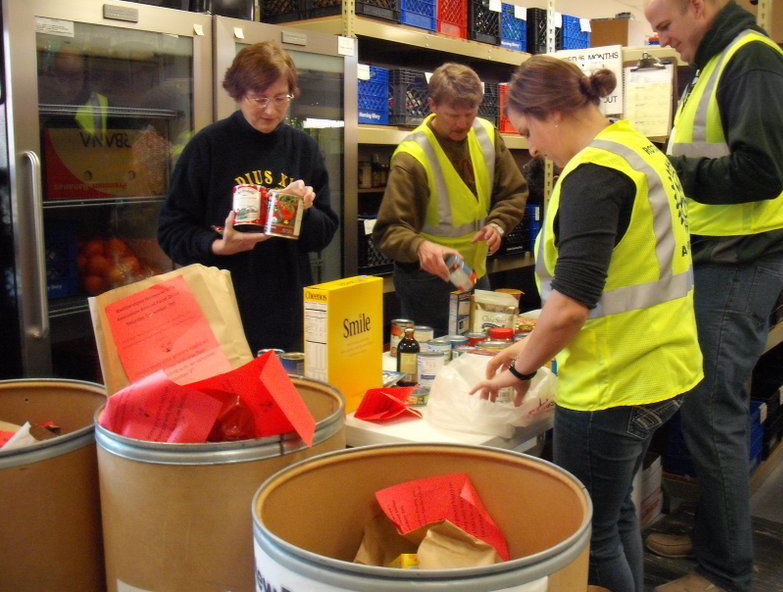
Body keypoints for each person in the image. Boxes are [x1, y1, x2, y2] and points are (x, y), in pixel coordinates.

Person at [469, 55, 703, 592]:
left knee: (590, 541)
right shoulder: (638, 149)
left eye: (527, 132)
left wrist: (523, 371)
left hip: (612, 384)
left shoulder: (593, 177)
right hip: (660, 366)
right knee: (617, 515)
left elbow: (573, 305)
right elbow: (617, 278)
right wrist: (531, 342)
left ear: (551, 114)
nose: (530, 149)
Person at [644, 0, 783, 591]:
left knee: (715, 416)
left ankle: (725, 572)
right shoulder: (713, 62)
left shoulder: (752, 60)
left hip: (738, 265)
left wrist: (671, 172)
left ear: (699, 6)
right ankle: (712, 535)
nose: (659, 39)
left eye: (664, 25)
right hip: (715, 262)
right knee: (707, 411)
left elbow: (763, 171)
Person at [158, 41, 339, 355]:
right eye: (260, 99)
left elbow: (322, 235)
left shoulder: (302, 148)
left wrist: (302, 210)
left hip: (287, 314)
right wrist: (217, 246)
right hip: (220, 317)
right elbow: (171, 231)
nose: (271, 110)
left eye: (281, 98)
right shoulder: (209, 146)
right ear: (239, 94)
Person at [371, 62, 528, 337]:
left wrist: (500, 223)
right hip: (427, 282)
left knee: (479, 350)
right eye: (453, 115)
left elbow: (513, 192)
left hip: (473, 272)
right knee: (433, 362)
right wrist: (419, 247)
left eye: (470, 114)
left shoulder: (487, 135)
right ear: (431, 105)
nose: (462, 124)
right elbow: (388, 230)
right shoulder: (413, 157)